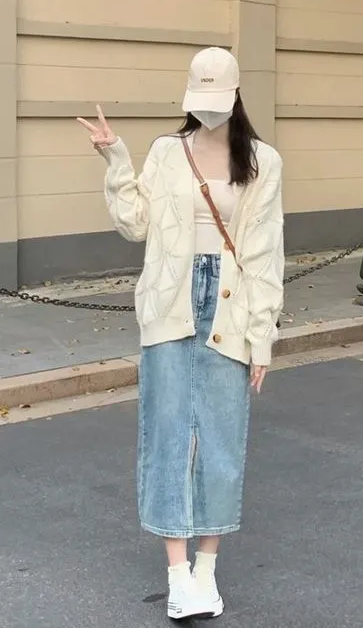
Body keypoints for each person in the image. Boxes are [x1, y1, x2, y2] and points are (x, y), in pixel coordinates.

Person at [77, 47, 284, 620]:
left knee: (221, 440)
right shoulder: (168, 151)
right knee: (167, 435)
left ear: (235, 96)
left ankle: (206, 570)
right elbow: (135, 224)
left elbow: (266, 255)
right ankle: (177, 575)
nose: (209, 111)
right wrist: (116, 158)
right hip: (170, 301)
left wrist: (262, 337)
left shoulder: (263, 161)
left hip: (231, 306)